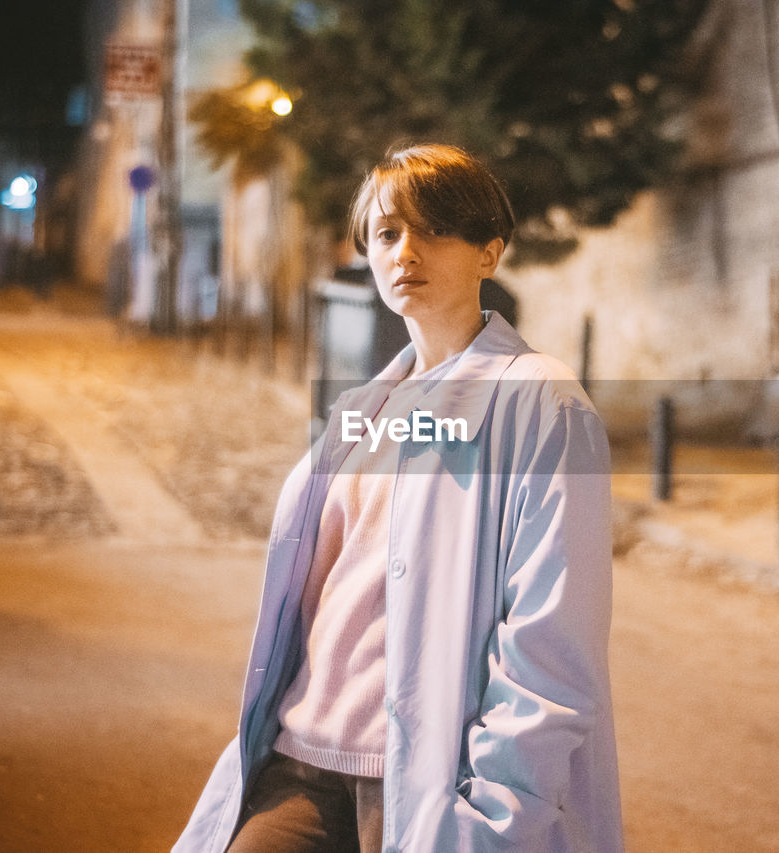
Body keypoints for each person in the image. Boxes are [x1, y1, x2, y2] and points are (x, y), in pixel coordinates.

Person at [174, 144, 622, 853]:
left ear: (489, 253)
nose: (405, 251)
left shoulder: (540, 402)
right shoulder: (359, 410)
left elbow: (551, 639)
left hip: (432, 788)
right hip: (300, 761)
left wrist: (495, 812)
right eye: (386, 233)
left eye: (435, 230)